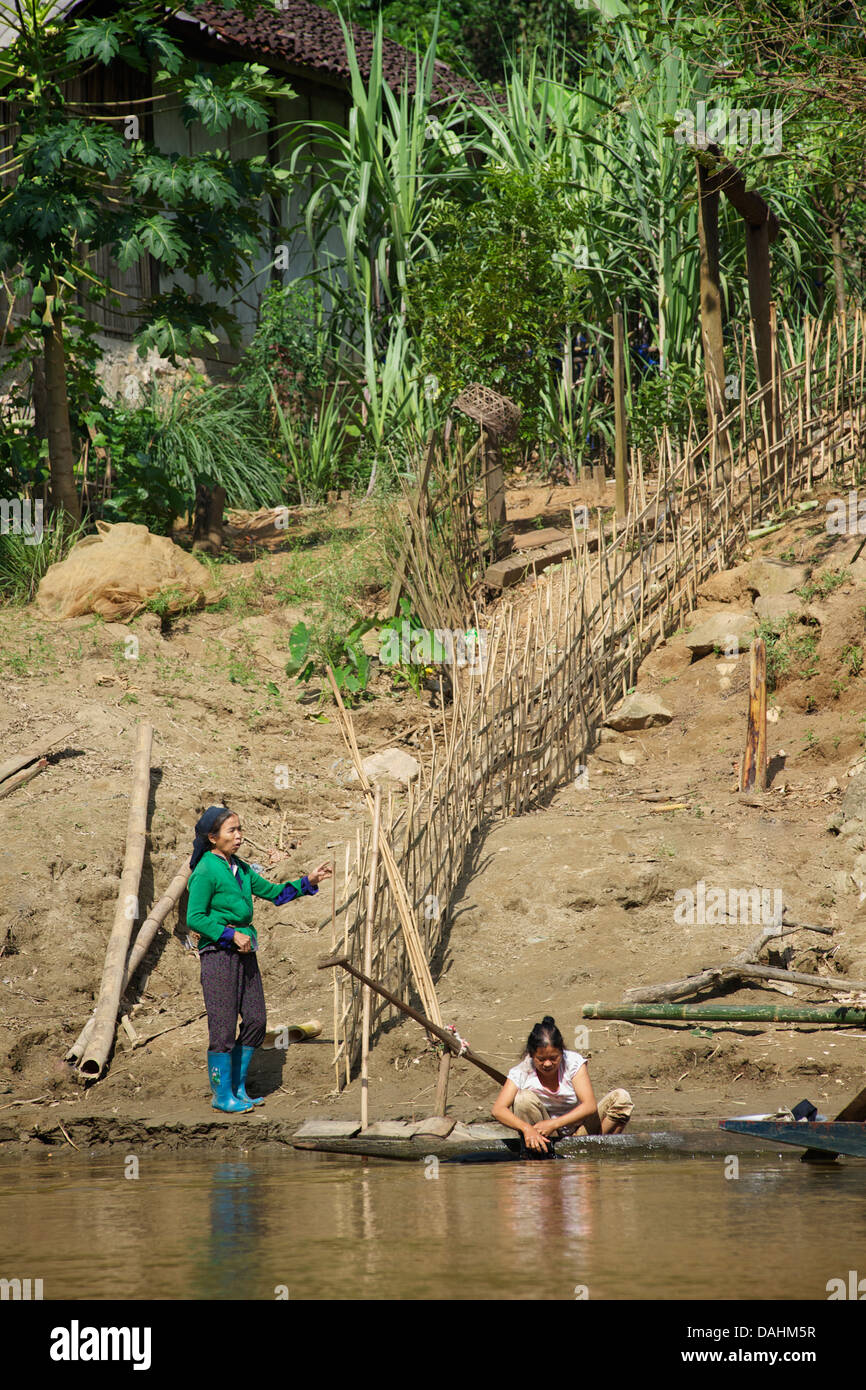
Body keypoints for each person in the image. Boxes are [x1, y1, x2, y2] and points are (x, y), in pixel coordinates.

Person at [186, 804, 332, 1113]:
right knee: (223, 1028)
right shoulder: (204, 872)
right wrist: (229, 934)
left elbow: (276, 894)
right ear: (213, 838)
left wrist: (309, 881)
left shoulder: (242, 868)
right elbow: (195, 917)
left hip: (245, 954)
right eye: (232, 831)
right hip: (218, 956)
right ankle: (221, 1095)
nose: (239, 836)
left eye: (240, 830)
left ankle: (237, 1087)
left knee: (255, 1020)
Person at [491, 1015, 633, 1154]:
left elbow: (589, 1105)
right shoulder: (522, 1071)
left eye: (554, 1058)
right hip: (546, 1136)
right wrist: (526, 1128)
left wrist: (554, 1123)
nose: (547, 1064)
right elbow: (498, 1110)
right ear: (531, 1055)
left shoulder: (573, 1063)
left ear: (561, 1052)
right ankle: (540, 1151)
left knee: (622, 1098)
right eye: (541, 1059)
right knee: (522, 1099)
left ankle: (600, 1148)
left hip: (582, 1131)